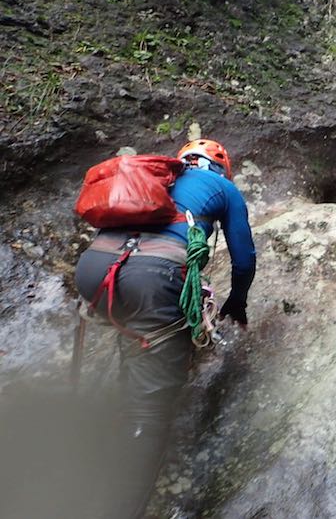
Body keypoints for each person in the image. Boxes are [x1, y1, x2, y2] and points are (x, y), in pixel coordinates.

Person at [73, 139, 256, 519]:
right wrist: (236, 301)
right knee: (150, 411)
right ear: (221, 168)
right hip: (152, 279)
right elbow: (244, 258)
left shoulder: (153, 182)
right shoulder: (222, 187)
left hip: (93, 270)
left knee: (139, 337)